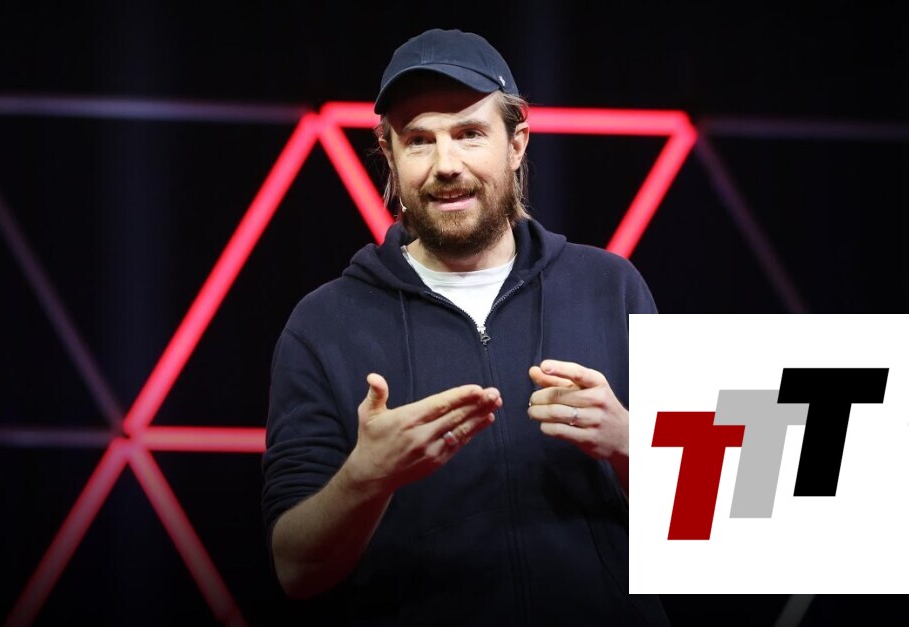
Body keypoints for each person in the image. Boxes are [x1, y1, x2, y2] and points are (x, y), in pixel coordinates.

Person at [261, 28, 670, 626]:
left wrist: (632, 444)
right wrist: (365, 479)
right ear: (389, 155)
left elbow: (710, 529)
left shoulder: (610, 286)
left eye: (469, 133)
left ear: (517, 143)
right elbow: (295, 572)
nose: (446, 165)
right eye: (418, 141)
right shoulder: (323, 324)